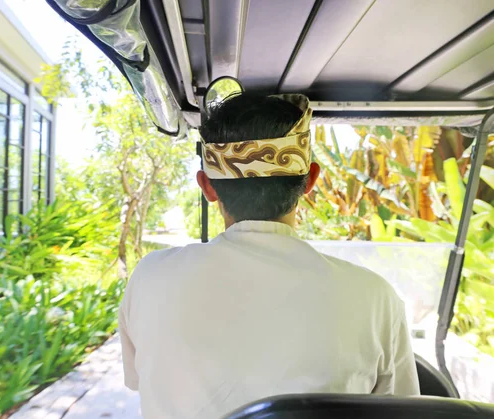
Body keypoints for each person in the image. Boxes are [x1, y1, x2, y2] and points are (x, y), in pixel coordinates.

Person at [119, 93, 420, 418]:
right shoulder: (375, 297)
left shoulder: (150, 278)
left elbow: (137, 380)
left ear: (207, 187)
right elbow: (403, 409)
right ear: (310, 181)